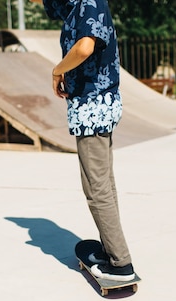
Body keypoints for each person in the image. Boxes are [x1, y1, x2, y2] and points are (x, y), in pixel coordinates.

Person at [30, 0, 135, 281]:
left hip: (92, 108)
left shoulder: (89, 2)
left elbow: (85, 47)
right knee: (104, 183)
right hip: (96, 106)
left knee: (96, 187)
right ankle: (110, 249)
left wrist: (57, 70)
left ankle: (120, 263)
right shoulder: (76, 5)